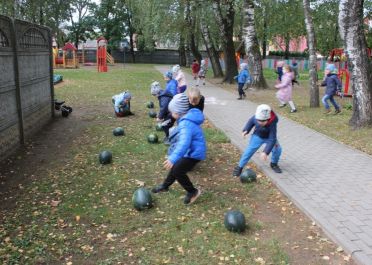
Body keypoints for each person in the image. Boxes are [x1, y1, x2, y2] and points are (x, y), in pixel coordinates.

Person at [152, 93, 206, 205]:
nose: (172, 114)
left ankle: (192, 191)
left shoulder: (186, 123)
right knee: (176, 167)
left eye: (173, 112)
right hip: (190, 150)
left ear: (179, 112)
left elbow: (184, 143)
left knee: (177, 170)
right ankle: (165, 186)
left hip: (194, 154)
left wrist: (173, 157)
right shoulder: (187, 117)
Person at [232, 104, 282, 176]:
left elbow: (272, 139)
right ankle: (239, 167)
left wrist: (265, 152)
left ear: (268, 119)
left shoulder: (272, 123)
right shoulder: (256, 116)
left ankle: (274, 164)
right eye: (258, 121)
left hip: (269, 138)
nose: (260, 123)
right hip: (258, 136)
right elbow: (251, 121)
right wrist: (246, 130)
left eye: (262, 121)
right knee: (249, 151)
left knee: (278, 149)